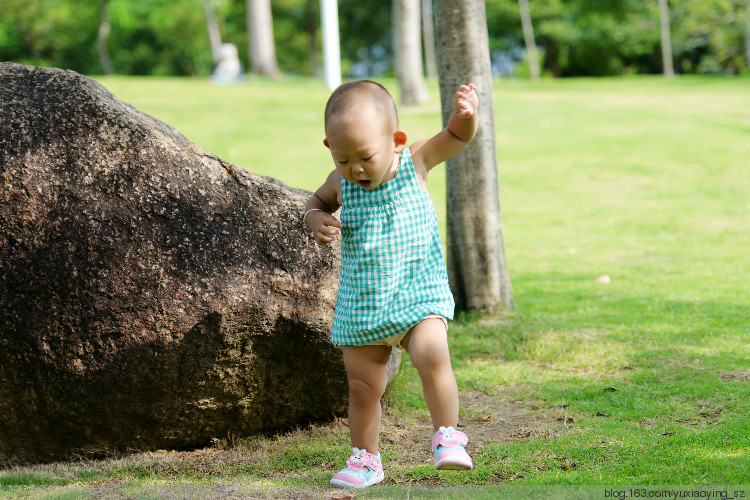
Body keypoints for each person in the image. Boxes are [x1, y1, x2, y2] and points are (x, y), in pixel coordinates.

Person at [303, 80, 478, 489]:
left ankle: (447, 435)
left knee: (432, 356)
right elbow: (315, 202)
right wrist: (314, 219)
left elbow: (455, 138)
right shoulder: (339, 181)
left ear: (396, 141)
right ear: (329, 147)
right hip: (364, 304)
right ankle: (366, 460)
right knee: (363, 386)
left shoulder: (415, 160)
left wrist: (465, 117)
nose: (355, 169)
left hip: (417, 294)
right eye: (344, 159)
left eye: (365, 157)